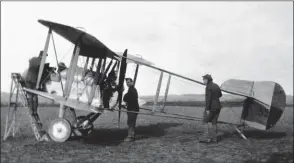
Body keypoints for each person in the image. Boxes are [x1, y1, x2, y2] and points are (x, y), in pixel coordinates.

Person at [21, 51, 46, 125]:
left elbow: (30, 60)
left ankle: (32, 111)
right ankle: (34, 111)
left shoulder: (33, 59)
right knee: (34, 96)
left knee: (31, 96)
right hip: (33, 80)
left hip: (29, 80)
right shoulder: (40, 62)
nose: (45, 58)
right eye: (45, 56)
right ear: (42, 56)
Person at [200, 74, 222, 143]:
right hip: (218, 107)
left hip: (211, 108)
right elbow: (220, 95)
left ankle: (207, 138)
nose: (203, 81)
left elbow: (208, 99)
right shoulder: (216, 85)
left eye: (204, 80)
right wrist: (215, 98)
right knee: (214, 123)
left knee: (205, 121)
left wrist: (207, 109)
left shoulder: (208, 87)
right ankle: (215, 139)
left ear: (207, 80)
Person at [123, 78, 139, 142]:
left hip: (132, 109)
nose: (127, 83)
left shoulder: (132, 90)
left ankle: (130, 137)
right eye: (127, 82)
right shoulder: (131, 89)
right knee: (132, 123)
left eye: (129, 82)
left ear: (132, 82)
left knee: (130, 122)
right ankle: (132, 136)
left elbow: (127, 98)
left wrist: (125, 97)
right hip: (133, 108)